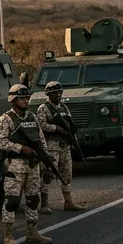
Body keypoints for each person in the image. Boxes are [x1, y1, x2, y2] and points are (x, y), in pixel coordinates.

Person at [0, 84, 53, 244]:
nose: (26, 101)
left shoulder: (32, 117)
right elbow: (2, 142)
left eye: (27, 98)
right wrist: (21, 148)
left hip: (33, 165)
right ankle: (7, 235)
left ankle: (32, 232)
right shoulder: (5, 119)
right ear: (13, 100)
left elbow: (41, 140)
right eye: (22, 98)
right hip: (15, 166)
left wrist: (45, 161)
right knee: (12, 201)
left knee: (33, 199)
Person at [37, 81, 86, 213]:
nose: (58, 95)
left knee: (67, 173)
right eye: (55, 93)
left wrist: (72, 137)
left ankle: (68, 202)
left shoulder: (63, 107)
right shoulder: (44, 108)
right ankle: (44, 204)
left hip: (64, 146)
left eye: (59, 93)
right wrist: (56, 128)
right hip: (51, 146)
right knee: (47, 174)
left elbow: (69, 125)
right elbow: (41, 125)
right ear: (48, 94)